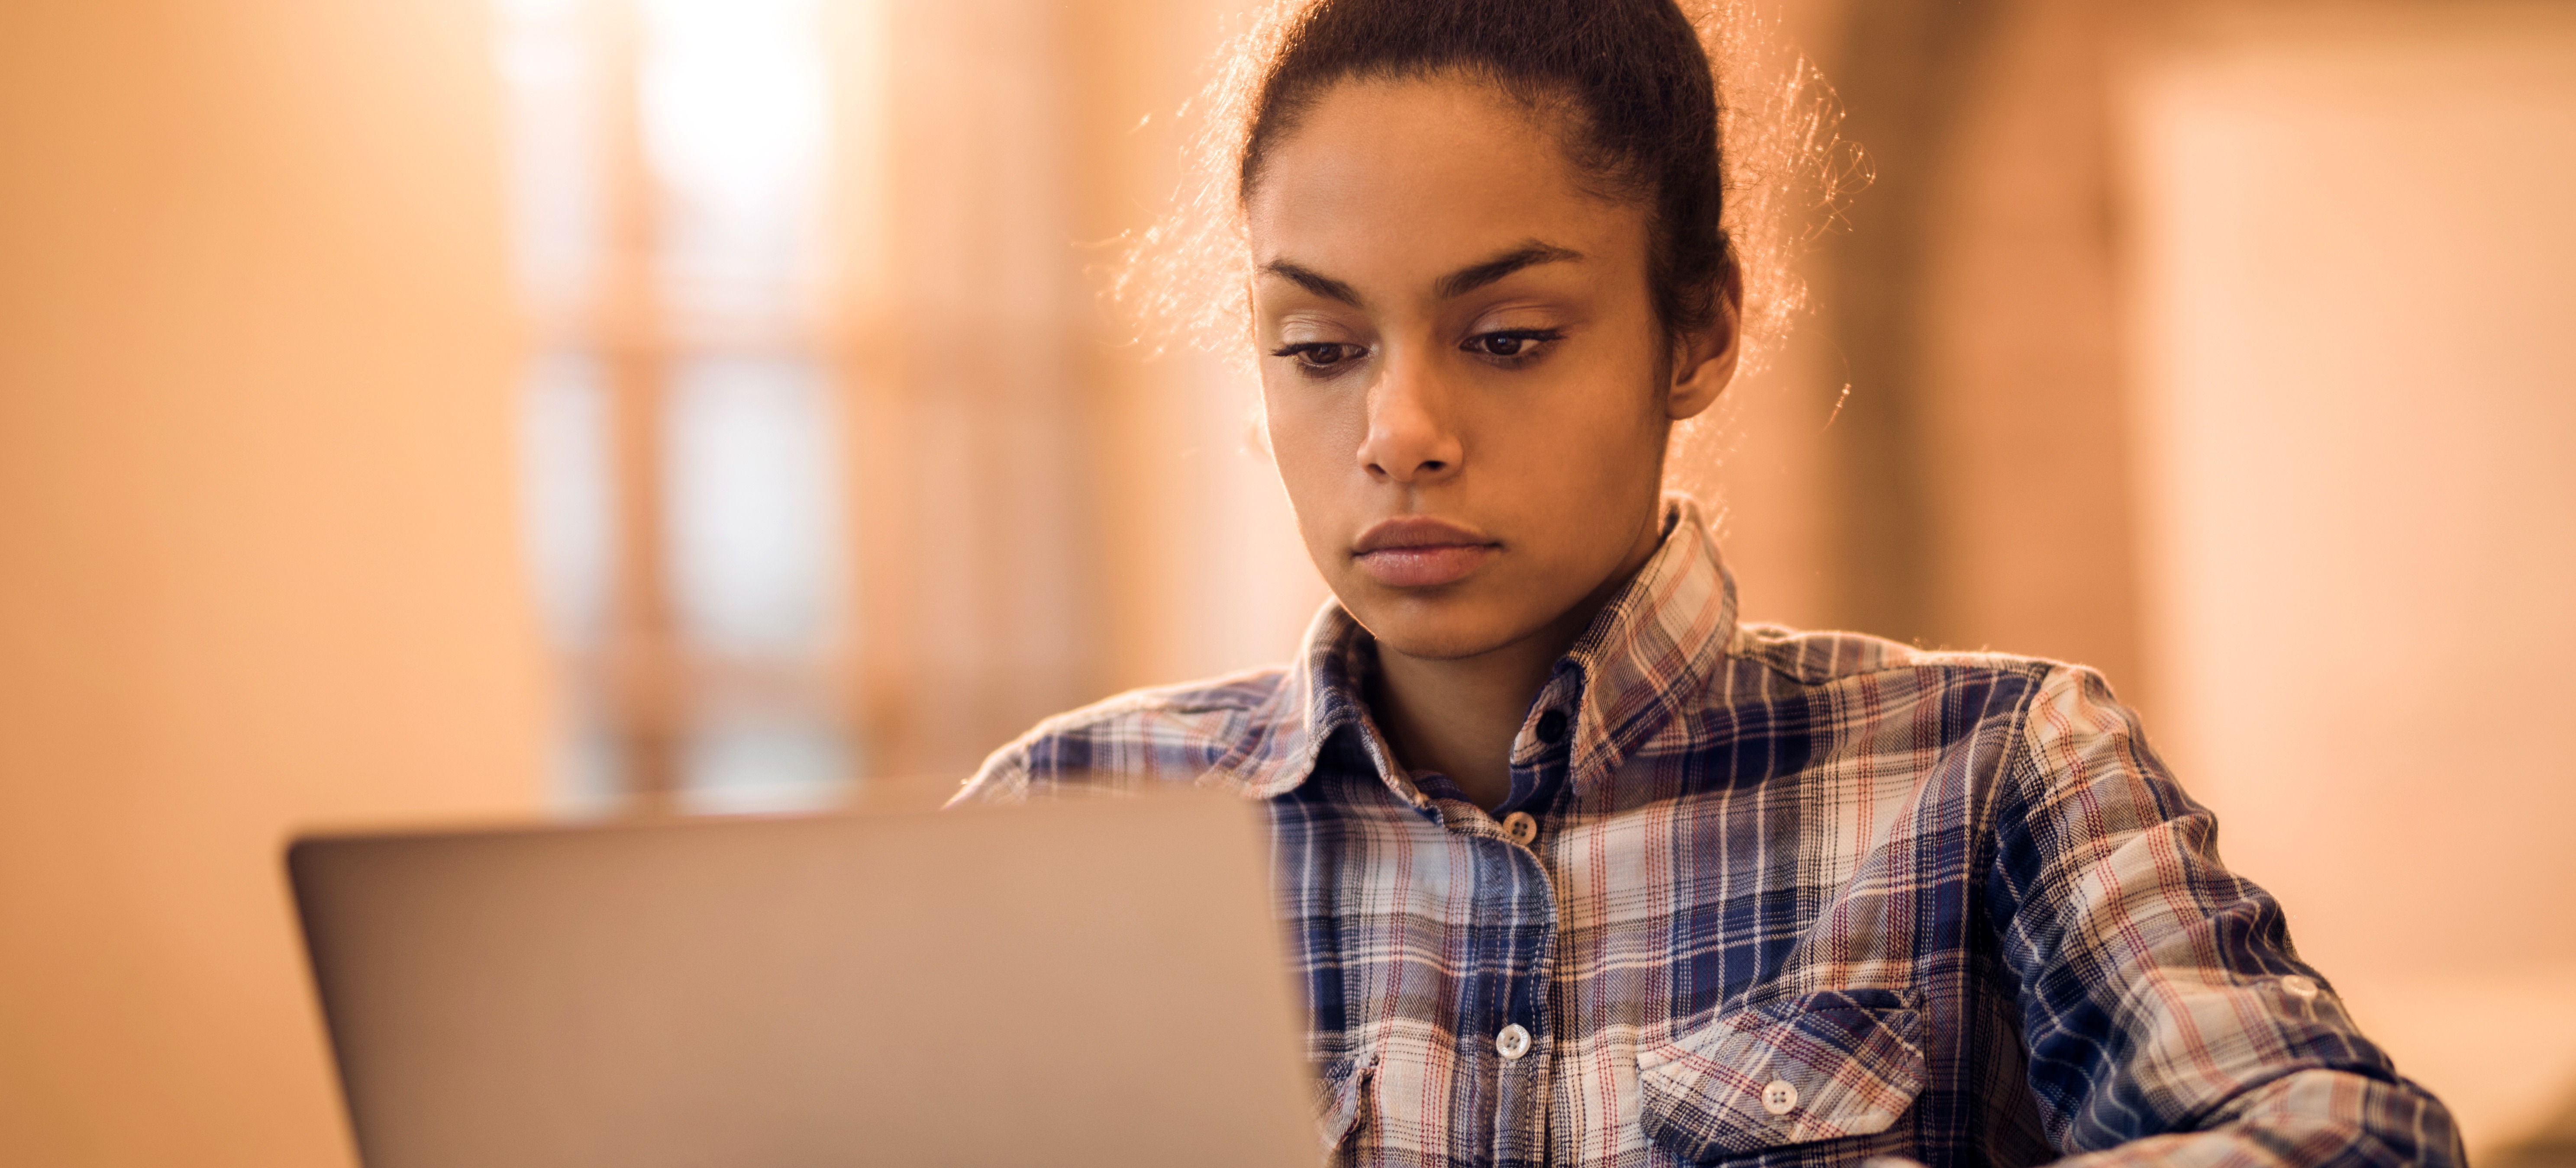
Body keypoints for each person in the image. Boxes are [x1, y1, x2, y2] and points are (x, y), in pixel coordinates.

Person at [953, 0, 2462, 1163]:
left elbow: (2345, 1138)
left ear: (1699, 329)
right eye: (1321, 350)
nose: (1399, 432)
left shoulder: (1995, 770)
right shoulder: (1070, 819)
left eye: (1509, 337)